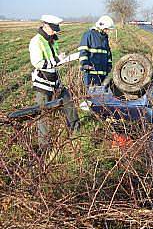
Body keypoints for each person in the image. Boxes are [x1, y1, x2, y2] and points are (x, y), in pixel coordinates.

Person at [29, 15, 79, 148]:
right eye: (54, 28)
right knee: (43, 113)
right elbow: (38, 63)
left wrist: (61, 59)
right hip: (43, 82)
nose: (56, 31)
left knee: (68, 100)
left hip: (55, 80)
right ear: (45, 25)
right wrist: (57, 60)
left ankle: (76, 130)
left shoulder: (52, 40)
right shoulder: (36, 41)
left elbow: (53, 60)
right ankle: (44, 145)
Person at [78, 15, 114, 86]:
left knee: (100, 95)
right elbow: (83, 52)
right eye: (107, 29)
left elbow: (108, 53)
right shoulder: (89, 35)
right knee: (91, 95)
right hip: (91, 74)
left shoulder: (104, 38)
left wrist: (109, 65)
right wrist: (85, 64)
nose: (108, 31)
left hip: (102, 74)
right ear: (102, 27)